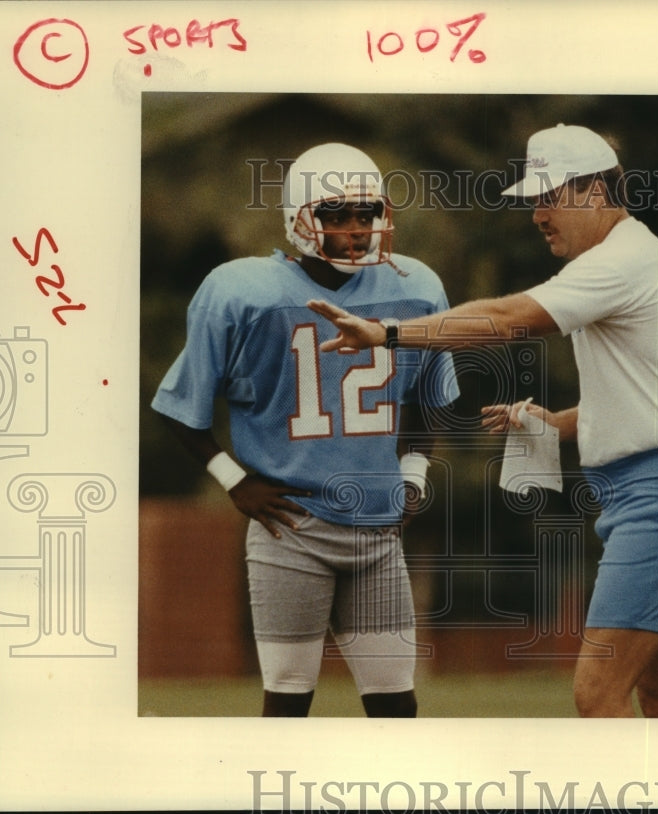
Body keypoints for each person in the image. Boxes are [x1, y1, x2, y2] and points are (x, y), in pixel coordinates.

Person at [308, 124, 658, 718]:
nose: (537, 214)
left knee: (596, 693)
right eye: (533, 201)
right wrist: (555, 424)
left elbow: (507, 318)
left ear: (591, 190)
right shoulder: (632, 256)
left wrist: (386, 333)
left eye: (547, 196)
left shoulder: (621, 261)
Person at [151, 142, 459, 718]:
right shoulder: (240, 291)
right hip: (290, 528)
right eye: (336, 214)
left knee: (398, 708)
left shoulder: (416, 287)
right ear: (300, 218)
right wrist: (234, 480)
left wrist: (413, 475)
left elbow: (429, 398)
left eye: (366, 214)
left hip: (377, 532)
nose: (355, 230)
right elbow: (179, 405)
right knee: (288, 704)